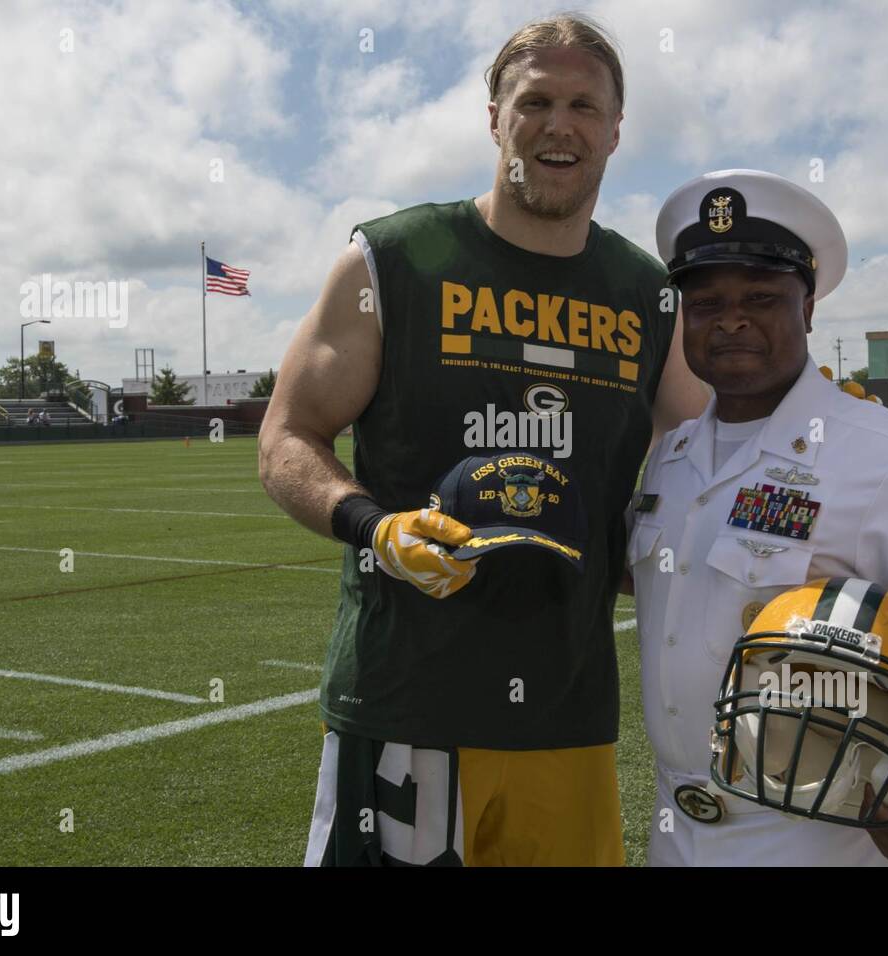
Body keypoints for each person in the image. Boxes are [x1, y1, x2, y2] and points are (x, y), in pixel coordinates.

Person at [258, 14, 708, 867]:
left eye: (584, 104)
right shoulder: (391, 261)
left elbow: (706, 456)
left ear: (616, 130)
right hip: (408, 706)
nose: (558, 124)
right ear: (493, 117)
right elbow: (287, 436)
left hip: (569, 713)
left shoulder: (649, 296)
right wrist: (373, 528)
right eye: (534, 100)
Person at [627, 169, 888, 866]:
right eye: (705, 303)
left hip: (823, 844)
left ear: (809, 306)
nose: (731, 320)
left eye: (761, 298)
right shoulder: (670, 457)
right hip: (677, 831)